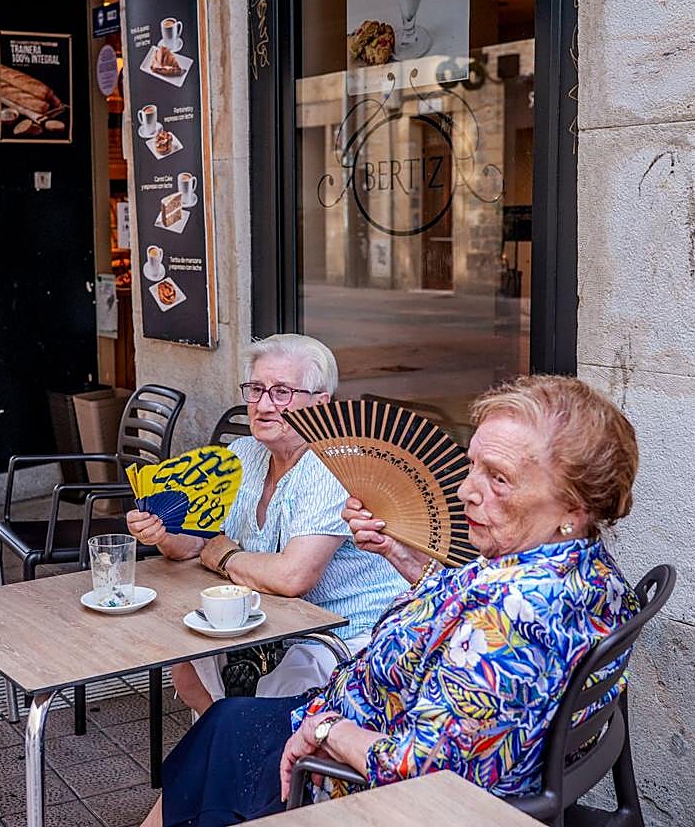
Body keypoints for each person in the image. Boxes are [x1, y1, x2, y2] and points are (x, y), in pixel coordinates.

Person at [143, 375, 641, 827]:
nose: (467, 490)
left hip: (356, 783)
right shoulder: (578, 566)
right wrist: (397, 552)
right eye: (473, 466)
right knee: (223, 726)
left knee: (223, 740)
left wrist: (324, 733)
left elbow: (427, 770)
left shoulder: (514, 616)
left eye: (499, 478)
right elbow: (461, 603)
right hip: (374, 717)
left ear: (573, 506)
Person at [127, 334, 407, 714]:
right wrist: (160, 530)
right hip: (272, 628)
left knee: (272, 692)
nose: (263, 405)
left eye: (282, 392)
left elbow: (293, 577)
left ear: (320, 403)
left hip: (344, 635)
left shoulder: (335, 465)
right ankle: (233, 753)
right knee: (186, 662)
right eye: (256, 389)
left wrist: (225, 556)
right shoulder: (242, 455)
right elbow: (194, 542)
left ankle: (243, 753)